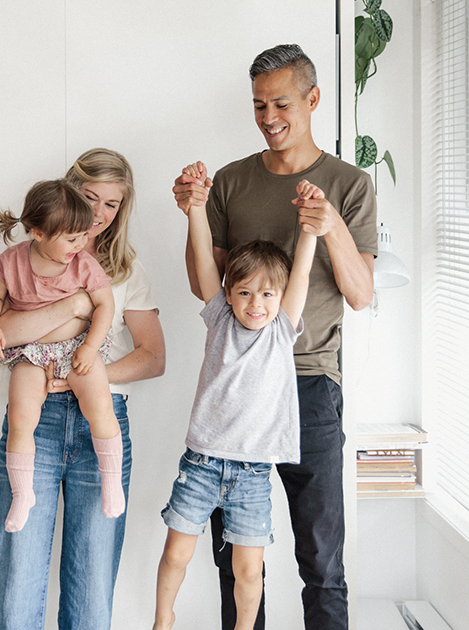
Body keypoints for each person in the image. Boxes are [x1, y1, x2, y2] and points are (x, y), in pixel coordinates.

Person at [172, 44, 377, 630]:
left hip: (308, 385)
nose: (269, 117)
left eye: (281, 103)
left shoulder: (350, 183)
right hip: (237, 392)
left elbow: (361, 294)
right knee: (236, 563)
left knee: (322, 560)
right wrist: (192, 210)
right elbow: (203, 286)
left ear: (313, 99)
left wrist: (330, 225)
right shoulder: (232, 182)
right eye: (259, 105)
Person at [0, 148, 166, 630]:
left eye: (112, 204)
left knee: (91, 587)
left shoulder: (127, 271)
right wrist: (73, 307)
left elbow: (153, 357)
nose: (99, 213)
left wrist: (87, 373)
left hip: (100, 419)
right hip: (36, 420)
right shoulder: (23, 261)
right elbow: (2, 333)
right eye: (90, 197)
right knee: (13, 579)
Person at [152, 170, 323, 630]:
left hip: (252, 474)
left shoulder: (282, 330)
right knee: (176, 553)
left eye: (266, 294)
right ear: (228, 294)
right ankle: (163, 619)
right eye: (244, 292)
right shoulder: (220, 319)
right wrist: (196, 209)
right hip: (202, 464)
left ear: (280, 298)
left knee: (249, 571)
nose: (255, 304)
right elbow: (205, 259)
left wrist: (309, 229)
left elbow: (302, 272)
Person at [0, 179, 124, 532]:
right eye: (72, 239)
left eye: (83, 236)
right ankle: (23, 493)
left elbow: (105, 305)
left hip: (78, 349)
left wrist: (90, 347)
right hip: (30, 354)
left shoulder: (83, 264)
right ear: (38, 233)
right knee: (21, 417)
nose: (80, 244)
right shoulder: (12, 262)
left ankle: (111, 480)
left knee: (100, 406)